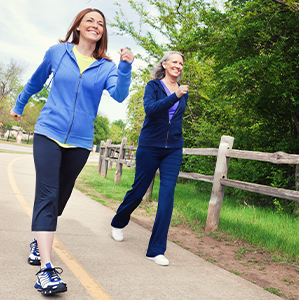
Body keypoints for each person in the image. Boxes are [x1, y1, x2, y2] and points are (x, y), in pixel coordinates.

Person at [10, 8, 134, 295]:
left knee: (61, 197)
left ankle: (38, 242)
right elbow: (36, 80)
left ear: (103, 33)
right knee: (47, 193)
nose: (95, 25)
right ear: (77, 26)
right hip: (48, 132)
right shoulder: (58, 52)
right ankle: (46, 270)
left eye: (100, 23)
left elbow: (118, 94)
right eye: (89, 20)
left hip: (79, 141)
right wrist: (19, 104)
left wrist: (125, 67)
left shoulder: (106, 67)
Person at [110, 51, 188, 266]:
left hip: (173, 149)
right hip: (150, 146)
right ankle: (118, 221)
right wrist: (176, 96)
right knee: (138, 190)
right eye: (174, 62)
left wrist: (178, 141)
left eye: (181, 63)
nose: (178, 66)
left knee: (167, 196)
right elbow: (151, 110)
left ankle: (156, 250)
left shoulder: (183, 91)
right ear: (164, 64)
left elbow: (176, 120)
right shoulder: (153, 87)